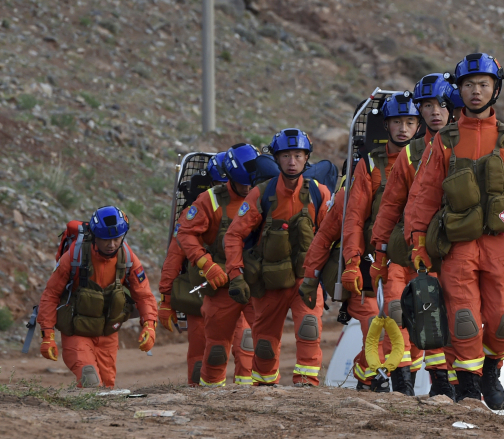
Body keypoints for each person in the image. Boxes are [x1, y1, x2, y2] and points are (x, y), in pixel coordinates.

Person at [405, 53, 504, 410]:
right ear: (459, 90)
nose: (475, 92)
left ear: (495, 89)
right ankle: (471, 390)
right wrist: (417, 243)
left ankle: (491, 371)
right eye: (469, 85)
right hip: (456, 249)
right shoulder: (443, 141)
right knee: (464, 321)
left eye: (483, 85)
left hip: (496, 246)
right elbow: (422, 196)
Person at [368, 74, 457, 398]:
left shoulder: (466, 148)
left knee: (445, 316)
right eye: (428, 106)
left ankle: (447, 385)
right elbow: (384, 210)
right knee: (397, 313)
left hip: (444, 251)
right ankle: (401, 385)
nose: (435, 112)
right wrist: (370, 256)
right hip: (402, 251)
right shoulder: (398, 160)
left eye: (442, 105)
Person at [224, 129, 333, 386]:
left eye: (298, 155)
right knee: (264, 342)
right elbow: (234, 236)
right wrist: (236, 275)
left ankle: (306, 383)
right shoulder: (261, 194)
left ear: (307, 158)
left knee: (309, 326)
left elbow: (332, 235)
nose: (292, 161)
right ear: (277, 159)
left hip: (305, 279)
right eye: (286, 156)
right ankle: (265, 386)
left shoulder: (319, 193)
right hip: (269, 280)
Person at [340, 91, 422, 393]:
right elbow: (354, 218)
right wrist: (352, 261)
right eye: (397, 121)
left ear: (419, 125)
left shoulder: (428, 159)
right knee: (395, 318)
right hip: (383, 257)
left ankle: (365, 374)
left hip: (420, 253)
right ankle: (402, 386)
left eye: (410, 122)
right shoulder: (371, 165)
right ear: (386, 126)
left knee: (420, 324)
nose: (403, 128)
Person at [37, 206, 157, 388]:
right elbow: (51, 294)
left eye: (116, 239)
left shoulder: (128, 258)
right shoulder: (74, 256)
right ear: (94, 236)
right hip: (77, 332)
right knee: (90, 380)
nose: (111, 245)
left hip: (107, 335)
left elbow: (144, 295)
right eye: (105, 239)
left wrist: (149, 325)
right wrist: (48, 334)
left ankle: (85, 416)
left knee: (107, 387)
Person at [173, 145, 259, 387]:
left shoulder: (266, 194)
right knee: (213, 351)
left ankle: (253, 392)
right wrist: (206, 265)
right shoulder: (208, 202)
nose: (246, 190)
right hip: (217, 286)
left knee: (256, 344)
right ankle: (206, 395)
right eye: (242, 186)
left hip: (251, 284)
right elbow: (180, 244)